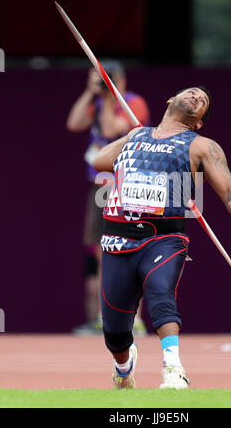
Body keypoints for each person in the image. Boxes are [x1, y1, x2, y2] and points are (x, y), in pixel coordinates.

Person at [92, 86, 231, 388]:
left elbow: (229, 187)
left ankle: (173, 370)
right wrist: (133, 143)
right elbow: (100, 160)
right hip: (118, 238)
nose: (196, 97)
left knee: (160, 290)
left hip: (163, 237)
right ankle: (124, 368)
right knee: (114, 332)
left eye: (203, 100)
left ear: (199, 121)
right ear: (169, 100)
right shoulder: (136, 136)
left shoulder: (201, 145)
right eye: (191, 93)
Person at [67, 60, 150, 336]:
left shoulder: (133, 103)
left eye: (103, 79)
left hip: (126, 184)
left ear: (119, 80)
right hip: (99, 185)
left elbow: (110, 131)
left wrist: (108, 97)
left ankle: (134, 318)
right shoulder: (97, 101)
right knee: (103, 252)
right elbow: (74, 122)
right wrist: (92, 93)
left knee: (130, 249)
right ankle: (106, 316)